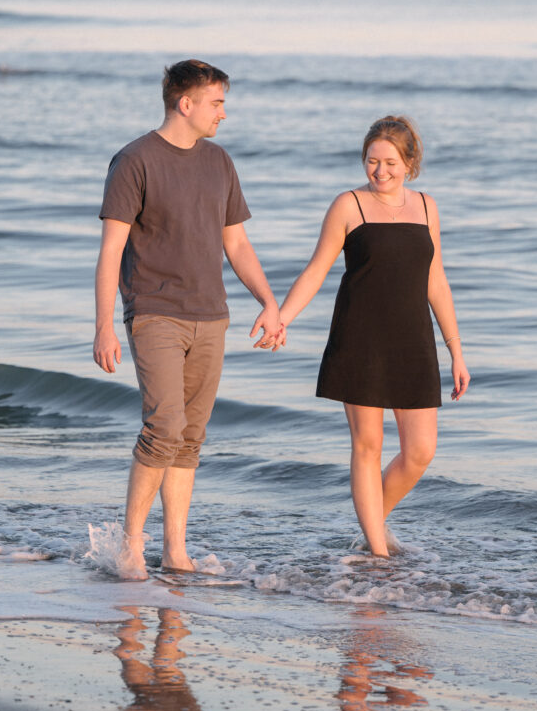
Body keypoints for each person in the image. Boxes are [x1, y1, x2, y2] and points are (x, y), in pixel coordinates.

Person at [93, 59, 281, 579]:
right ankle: (131, 547)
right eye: (217, 102)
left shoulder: (219, 162)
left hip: (211, 316)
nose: (224, 112)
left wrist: (269, 301)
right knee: (163, 425)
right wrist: (104, 324)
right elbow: (111, 250)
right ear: (186, 103)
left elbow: (236, 243)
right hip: (154, 312)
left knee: (190, 435)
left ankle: (175, 549)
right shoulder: (134, 160)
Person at [278, 116, 470, 557]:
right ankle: (378, 554)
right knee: (367, 445)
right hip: (359, 336)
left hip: (413, 340)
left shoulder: (426, 207)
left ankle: (370, 529)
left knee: (420, 451)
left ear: (410, 163)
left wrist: (456, 351)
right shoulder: (349, 205)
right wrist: (283, 317)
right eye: (371, 161)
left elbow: (435, 280)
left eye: (390, 162)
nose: (380, 171)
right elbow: (316, 269)